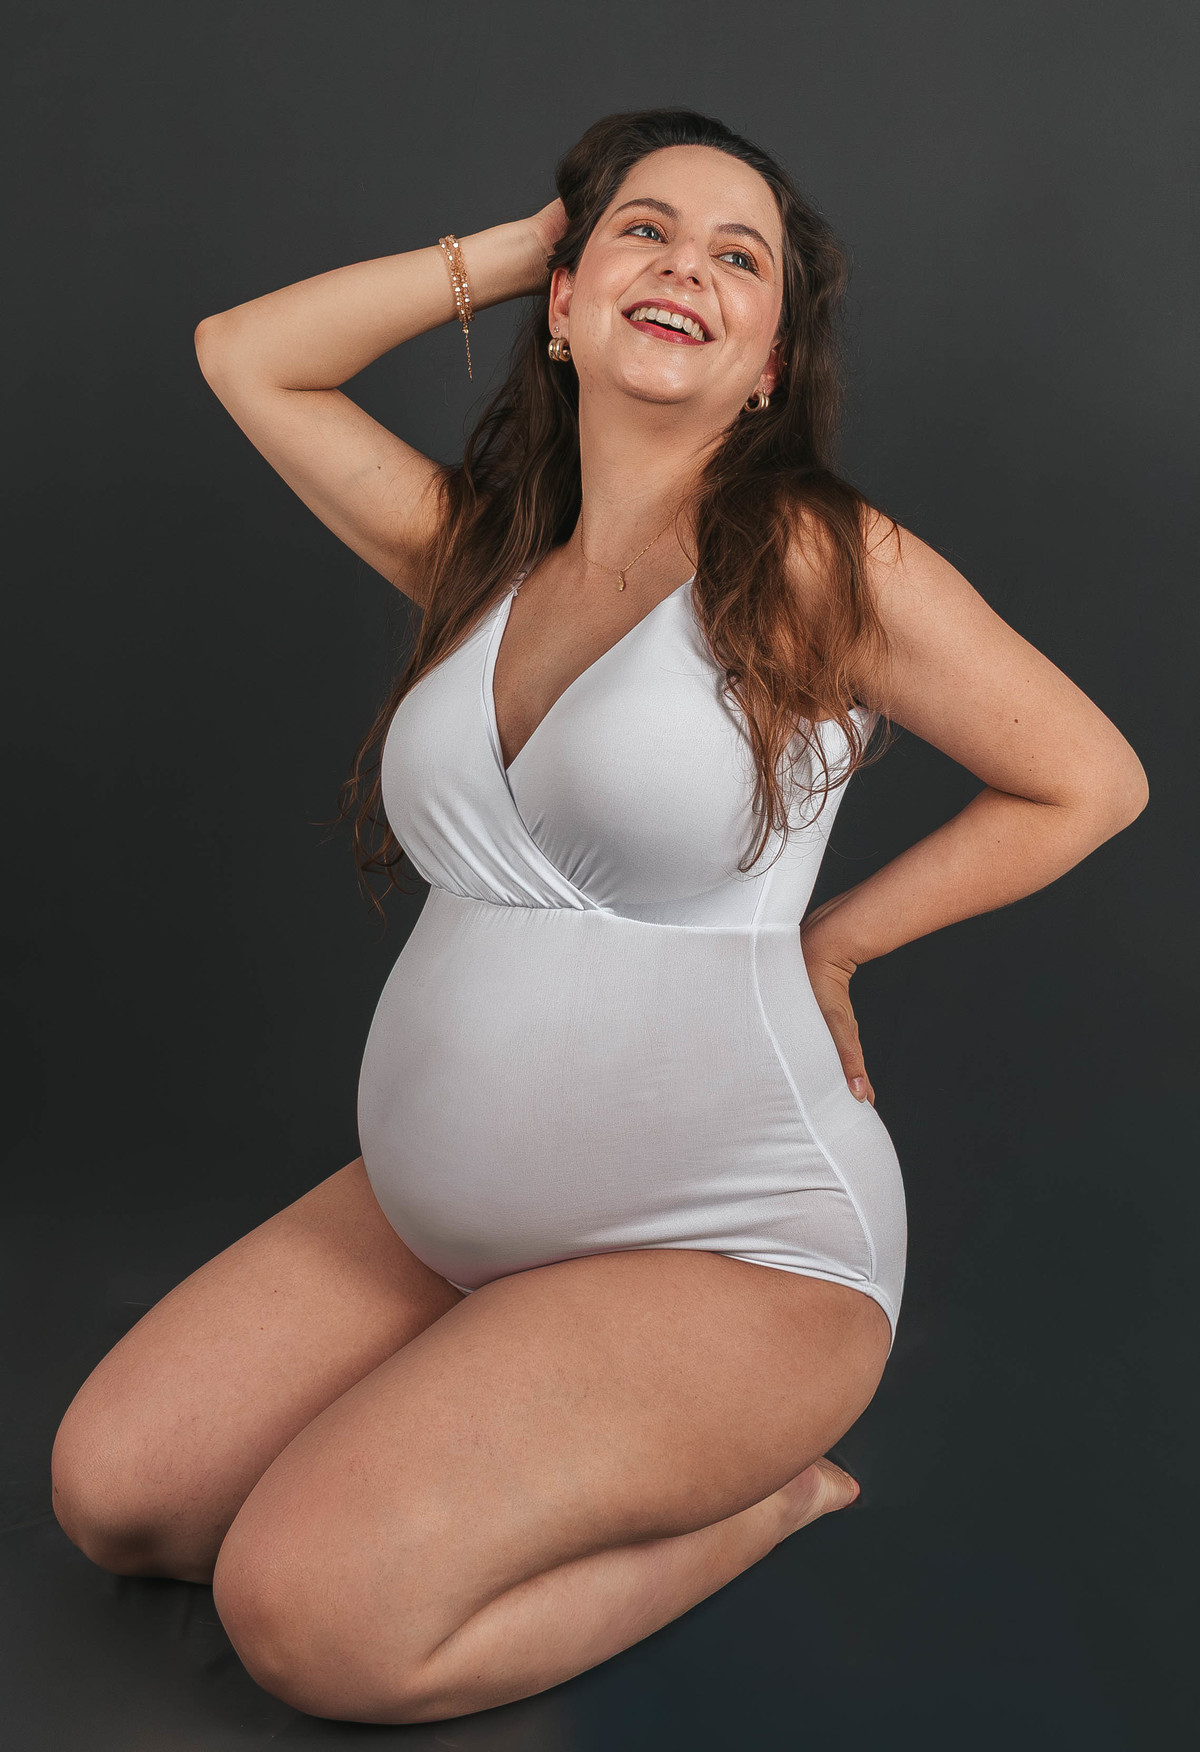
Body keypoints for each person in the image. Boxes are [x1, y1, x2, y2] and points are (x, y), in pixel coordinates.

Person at [49, 109, 1148, 1725]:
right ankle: (503, 1378)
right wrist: (525, 247)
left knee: (312, 1618)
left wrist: (835, 942)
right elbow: (246, 357)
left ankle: (763, 1505)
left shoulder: (810, 559)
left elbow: (1089, 780)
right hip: (443, 1222)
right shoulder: (482, 563)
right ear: (563, 303)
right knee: (118, 1494)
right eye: (648, 231)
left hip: (732, 1251)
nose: (687, 267)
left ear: (771, 364)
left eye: (738, 258)